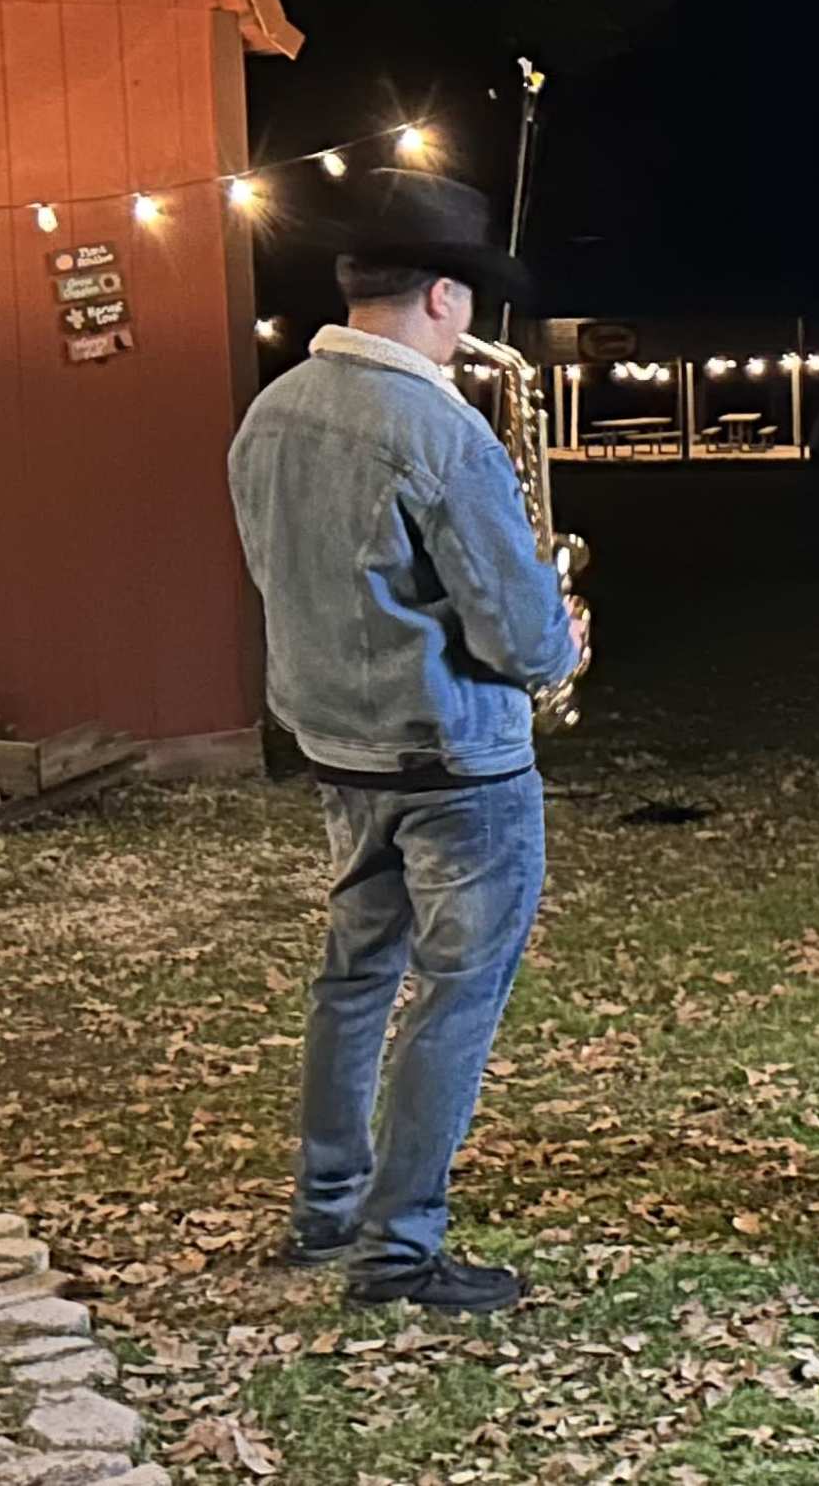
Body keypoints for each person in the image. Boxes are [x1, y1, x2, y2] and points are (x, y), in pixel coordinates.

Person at [228, 168, 585, 1314]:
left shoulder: (268, 414)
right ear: (441, 293)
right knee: (452, 997)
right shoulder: (440, 429)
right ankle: (398, 1248)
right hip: (459, 766)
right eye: (468, 297)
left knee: (352, 980)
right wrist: (559, 628)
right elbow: (520, 636)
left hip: (341, 752)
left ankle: (325, 1211)